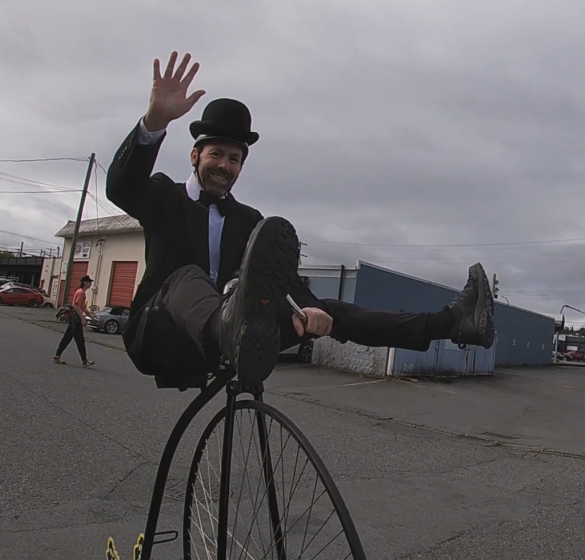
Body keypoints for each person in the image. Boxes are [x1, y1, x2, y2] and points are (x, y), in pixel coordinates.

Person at [105, 51, 495, 390]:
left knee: (329, 308)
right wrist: (154, 122)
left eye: (234, 158)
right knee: (186, 275)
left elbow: (283, 282)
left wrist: (306, 311)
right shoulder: (163, 196)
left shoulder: (247, 221)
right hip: (160, 335)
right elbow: (121, 187)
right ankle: (226, 325)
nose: (225, 166)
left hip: (225, 346)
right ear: (195, 156)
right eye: (216, 154)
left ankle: (454, 323)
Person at [53, 275, 95, 367]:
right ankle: (84, 360)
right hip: (75, 318)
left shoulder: (81, 292)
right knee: (78, 339)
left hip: (75, 317)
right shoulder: (81, 293)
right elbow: (77, 306)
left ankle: (58, 355)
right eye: (89, 282)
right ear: (85, 282)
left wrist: (91, 316)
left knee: (70, 338)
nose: (90, 284)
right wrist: (82, 318)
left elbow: (83, 307)